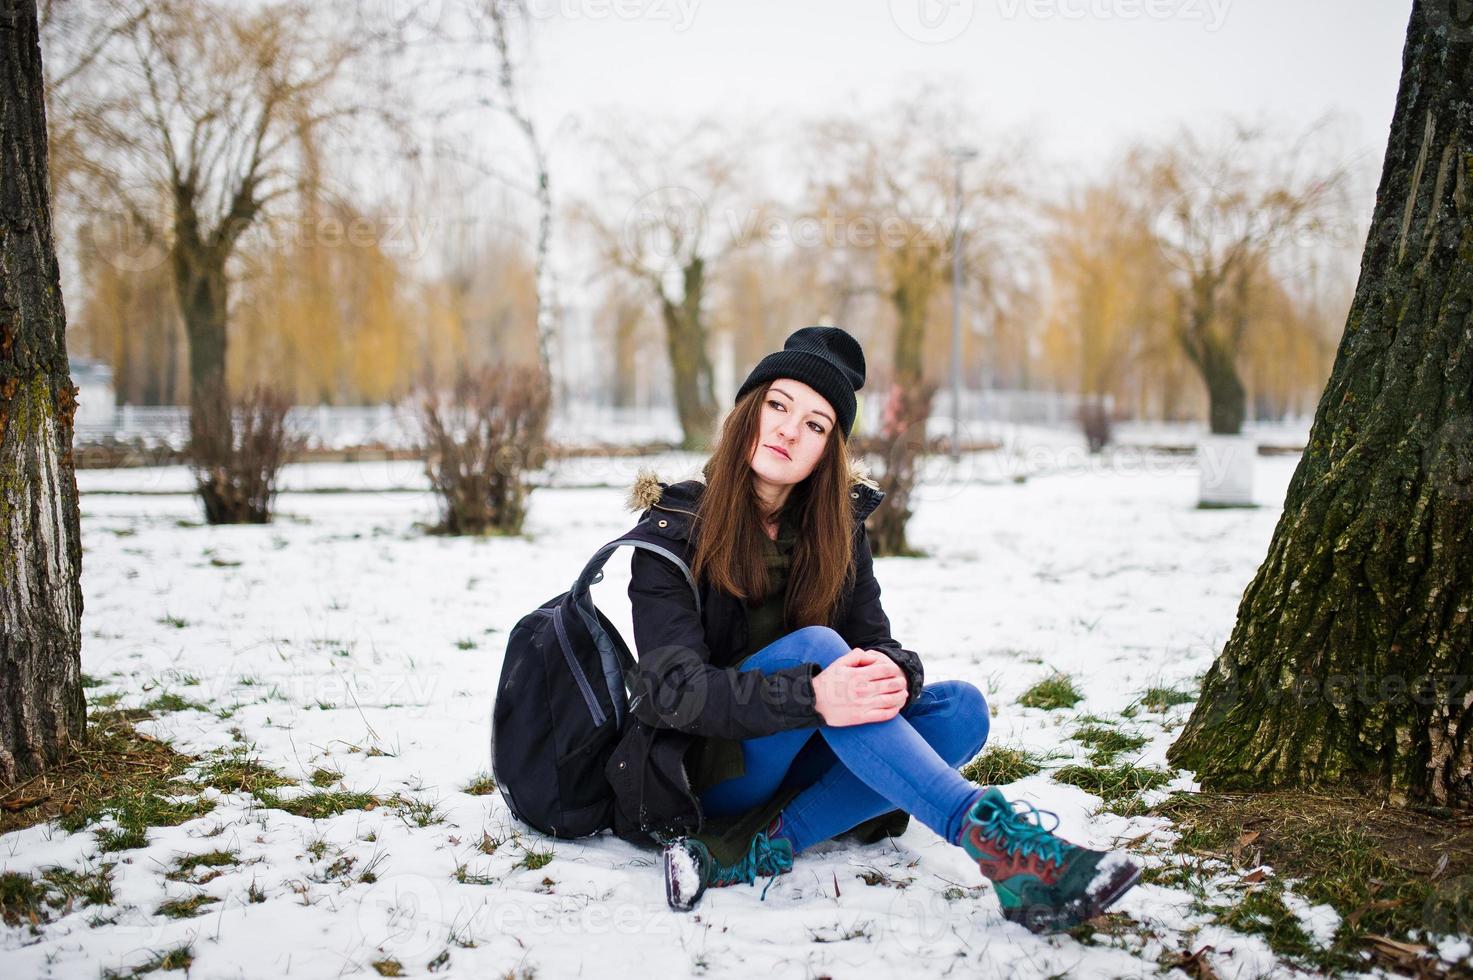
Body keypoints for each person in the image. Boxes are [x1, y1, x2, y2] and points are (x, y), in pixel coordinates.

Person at [612, 325, 1140, 932]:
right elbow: (670, 690)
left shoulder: (837, 530)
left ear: (827, 450)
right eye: (778, 406)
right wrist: (812, 691)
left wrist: (897, 669)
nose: (789, 429)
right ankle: (997, 843)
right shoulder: (673, 527)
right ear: (747, 412)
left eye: (815, 424)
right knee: (819, 649)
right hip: (705, 769)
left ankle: (765, 842)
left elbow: (876, 641)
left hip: (808, 744)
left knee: (961, 710)